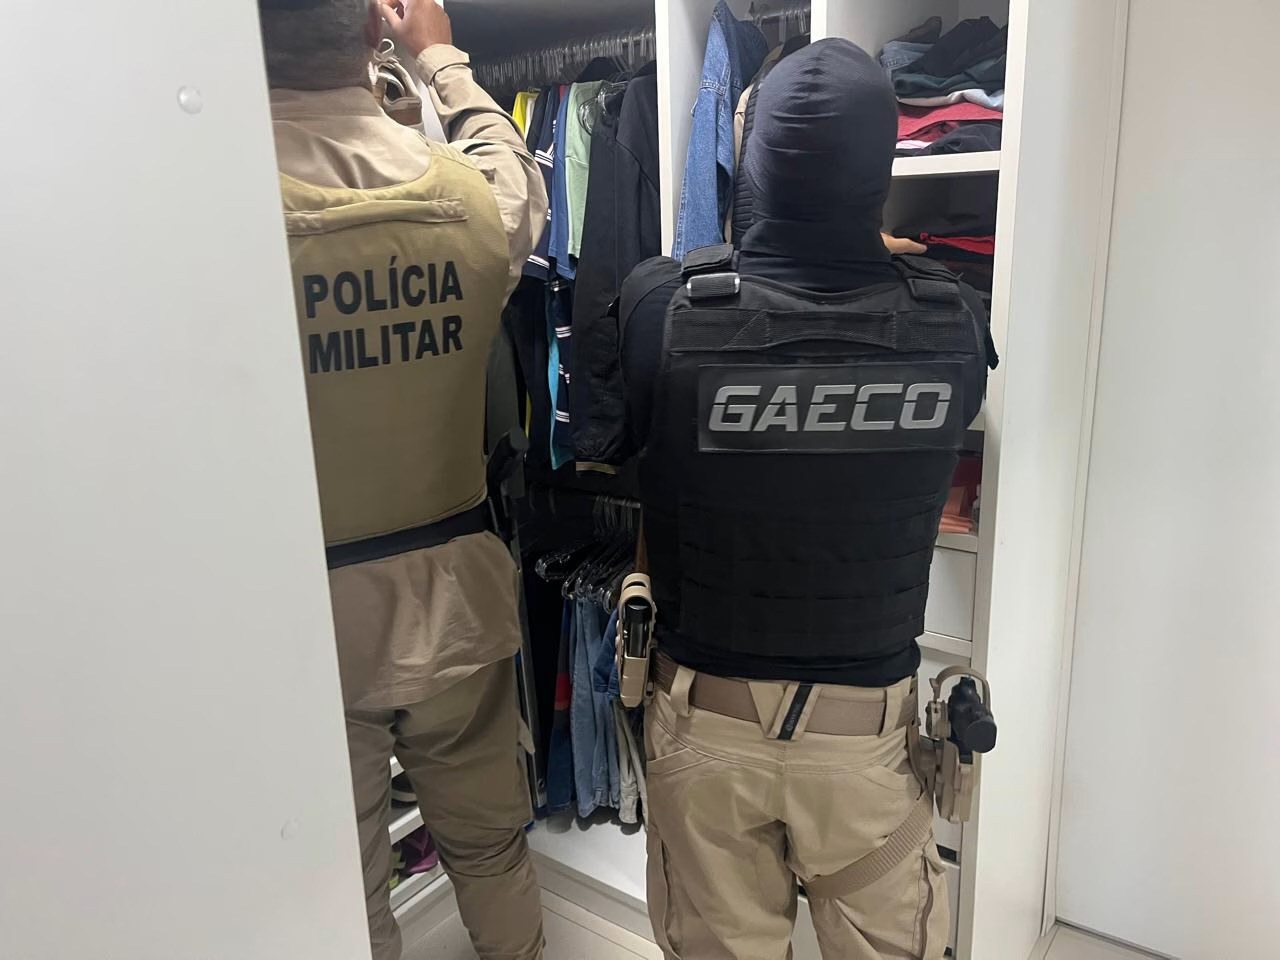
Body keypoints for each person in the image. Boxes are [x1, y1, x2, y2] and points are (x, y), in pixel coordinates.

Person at [617, 39, 997, 960]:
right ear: (883, 169)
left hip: (705, 729)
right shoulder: (951, 319)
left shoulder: (661, 306)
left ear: (751, 165)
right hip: (864, 746)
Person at [257, 1, 547, 958]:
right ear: (370, 33)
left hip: (307, 622)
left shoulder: (214, 217)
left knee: (344, 890)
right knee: (492, 849)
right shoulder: (469, 198)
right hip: (454, 594)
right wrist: (441, 58)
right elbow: (517, 174)